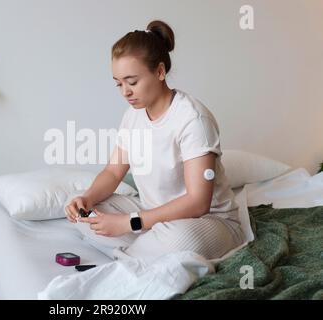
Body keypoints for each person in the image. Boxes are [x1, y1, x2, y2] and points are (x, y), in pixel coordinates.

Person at [64, 20, 244, 264]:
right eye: (118, 83)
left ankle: (136, 253)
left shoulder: (193, 119)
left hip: (208, 221)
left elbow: (198, 203)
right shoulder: (133, 115)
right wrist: (87, 199)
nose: (125, 92)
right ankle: (145, 252)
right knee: (78, 207)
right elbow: (113, 171)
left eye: (132, 81)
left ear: (160, 72)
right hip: (151, 216)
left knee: (180, 240)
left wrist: (129, 222)